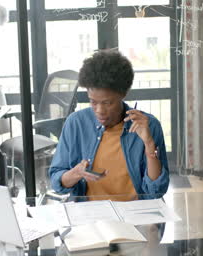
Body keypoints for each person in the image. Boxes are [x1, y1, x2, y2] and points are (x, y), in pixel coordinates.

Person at [48, 49, 169, 200]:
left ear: (123, 94)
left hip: (134, 215)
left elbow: (156, 191)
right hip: (90, 215)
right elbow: (56, 182)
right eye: (93, 101)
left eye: (107, 103)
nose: (99, 110)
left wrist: (149, 144)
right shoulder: (76, 123)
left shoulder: (148, 126)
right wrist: (76, 173)